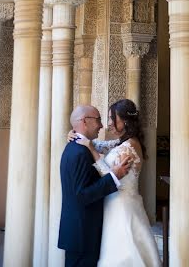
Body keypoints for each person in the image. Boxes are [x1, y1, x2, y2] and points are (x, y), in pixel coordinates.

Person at [69, 99, 161, 266]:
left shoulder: (128, 148)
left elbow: (110, 176)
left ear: (124, 121)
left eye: (112, 118)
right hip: (118, 203)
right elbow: (98, 144)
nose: (108, 123)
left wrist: (92, 151)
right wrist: (74, 133)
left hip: (121, 207)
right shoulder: (123, 143)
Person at [58, 104, 133, 267]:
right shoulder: (79, 153)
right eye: (98, 119)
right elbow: (82, 195)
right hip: (82, 234)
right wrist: (115, 176)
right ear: (85, 121)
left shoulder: (78, 147)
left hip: (82, 232)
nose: (102, 125)